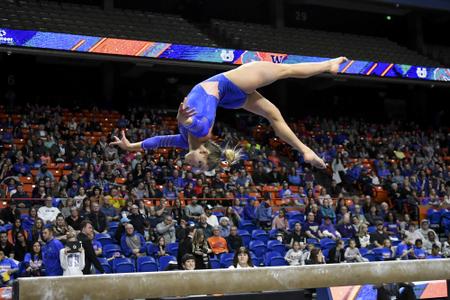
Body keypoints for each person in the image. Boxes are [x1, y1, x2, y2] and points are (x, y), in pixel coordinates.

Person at [111, 58, 348, 172]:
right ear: (204, 151)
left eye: (200, 168)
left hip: (226, 96)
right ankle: (329, 65)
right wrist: (185, 120)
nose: (196, 167)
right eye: (201, 165)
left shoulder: (184, 142)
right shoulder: (201, 131)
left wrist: (131, 146)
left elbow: (157, 142)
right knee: (284, 71)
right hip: (228, 84)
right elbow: (198, 123)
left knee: (274, 115)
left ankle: (305, 150)